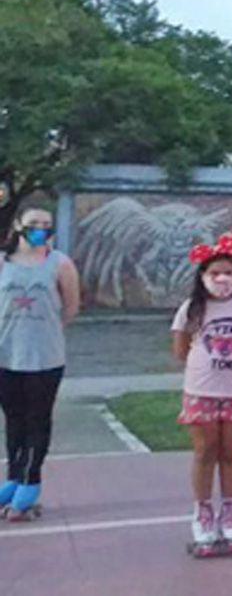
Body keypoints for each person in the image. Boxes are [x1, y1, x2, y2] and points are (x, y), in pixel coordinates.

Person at [171, 234, 232, 556]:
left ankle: (229, 513)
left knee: (230, 452)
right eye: (215, 273)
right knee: (205, 451)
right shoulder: (192, 308)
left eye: (229, 272)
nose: (222, 279)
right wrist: (207, 366)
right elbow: (179, 348)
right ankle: (202, 514)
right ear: (203, 277)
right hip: (201, 390)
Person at [0, 206, 81, 521]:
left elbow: (71, 307)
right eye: (33, 224)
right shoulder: (3, 263)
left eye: (46, 225)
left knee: (38, 419)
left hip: (45, 357)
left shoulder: (60, 264)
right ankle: (14, 477)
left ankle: (31, 481)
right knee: (14, 419)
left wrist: (45, 331)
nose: (40, 229)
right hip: (6, 356)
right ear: (19, 225)